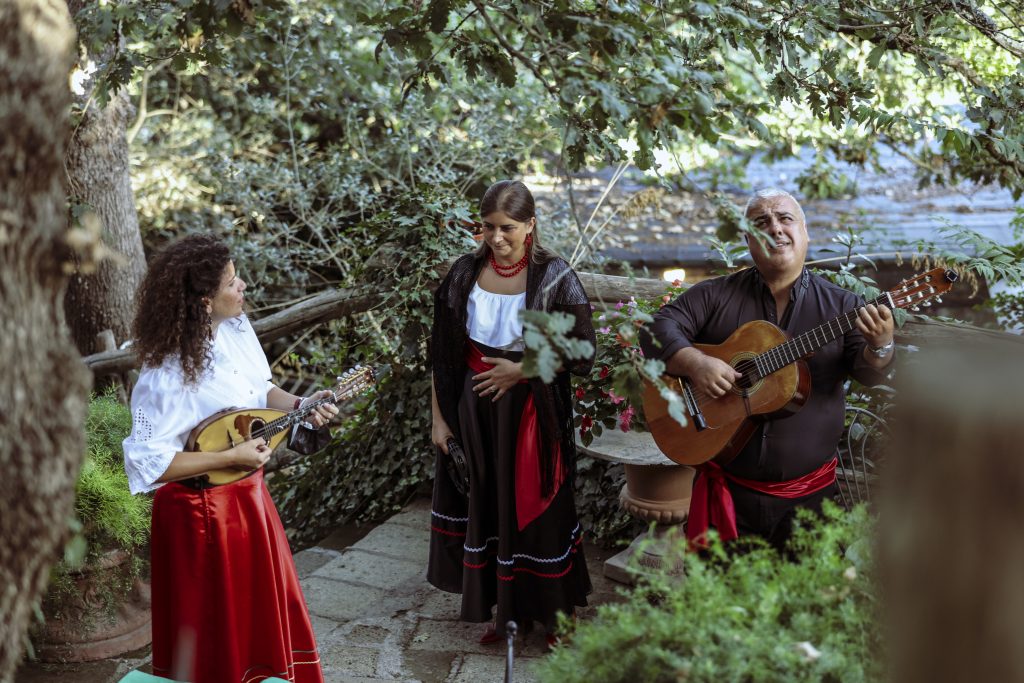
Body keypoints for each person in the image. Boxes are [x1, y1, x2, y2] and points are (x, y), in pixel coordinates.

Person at [122, 234, 337, 683]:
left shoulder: (236, 330)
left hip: (248, 499)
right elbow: (150, 463)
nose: (242, 289)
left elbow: (261, 392)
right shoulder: (166, 372)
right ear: (203, 301)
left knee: (257, 619)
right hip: (199, 515)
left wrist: (302, 405)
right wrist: (231, 455)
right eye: (233, 283)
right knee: (215, 634)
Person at [641, 188, 895, 550]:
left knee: (807, 603)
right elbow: (656, 330)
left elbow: (871, 371)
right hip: (727, 494)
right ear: (748, 240)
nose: (775, 228)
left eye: (785, 218)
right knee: (723, 602)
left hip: (811, 501)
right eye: (762, 222)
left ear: (805, 233)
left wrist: (880, 344)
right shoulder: (716, 295)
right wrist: (695, 363)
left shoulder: (843, 307)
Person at [427, 180, 596, 646]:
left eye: (508, 228)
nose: (496, 237)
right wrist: (439, 420)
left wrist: (520, 370)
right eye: (488, 227)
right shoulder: (463, 273)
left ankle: (558, 619)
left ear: (530, 226)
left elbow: (583, 352)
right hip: (473, 412)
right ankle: (504, 615)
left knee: (539, 509)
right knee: (490, 505)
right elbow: (441, 354)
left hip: (531, 415)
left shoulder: (555, 276)